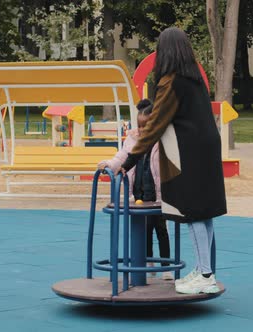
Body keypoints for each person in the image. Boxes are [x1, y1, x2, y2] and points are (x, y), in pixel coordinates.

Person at [120, 27, 227, 294]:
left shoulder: (171, 82)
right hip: (207, 148)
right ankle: (205, 269)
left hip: (188, 151)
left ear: (163, 51)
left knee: (191, 211)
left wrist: (129, 160)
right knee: (204, 211)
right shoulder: (194, 78)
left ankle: (205, 275)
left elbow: (155, 124)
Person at [97, 99, 173, 280]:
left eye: (146, 126)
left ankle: (166, 266)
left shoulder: (164, 140)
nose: (142, 130)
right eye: (139, 126)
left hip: (159, 194)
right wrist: (109, 164)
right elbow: (122, 156)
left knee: (161, 229)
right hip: (139, 192)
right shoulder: (132, 139)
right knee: (145, 228)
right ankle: (147, 262)